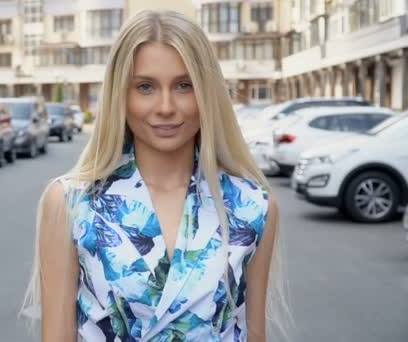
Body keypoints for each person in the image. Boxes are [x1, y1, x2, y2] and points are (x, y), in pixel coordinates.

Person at [22, 10, 286, 342]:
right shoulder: (72, 203)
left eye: (184, 85)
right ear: (121, 94)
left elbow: (252, 335)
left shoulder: (253, 206)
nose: (165, 106)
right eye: (145, 86)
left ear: (207, 93)